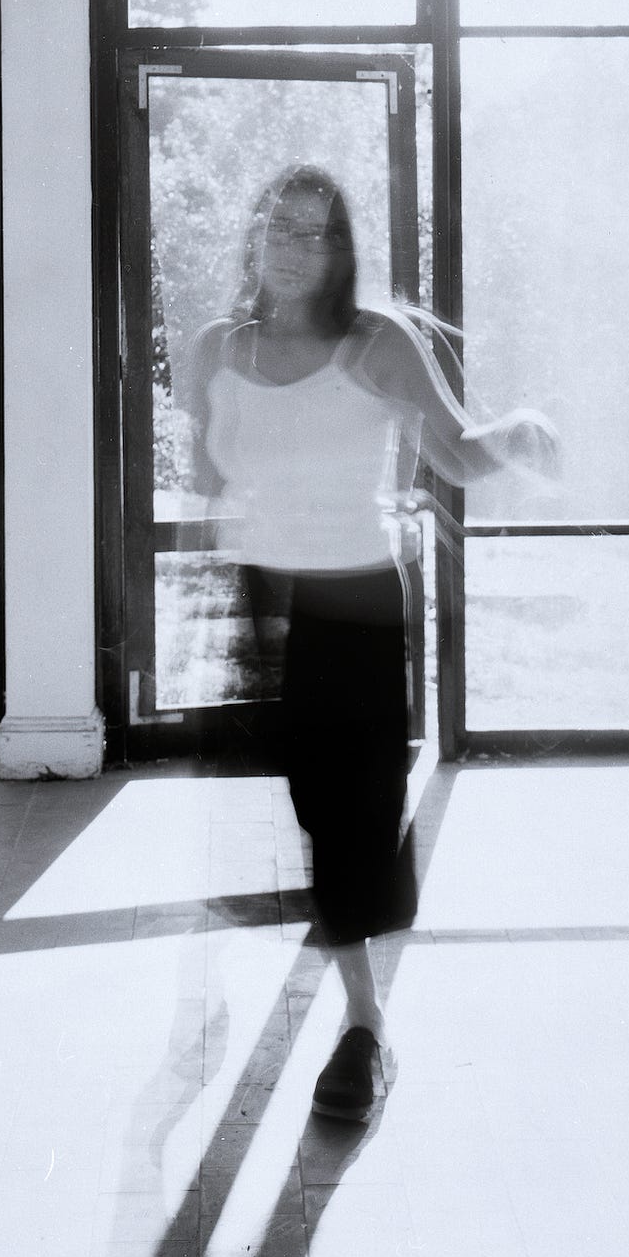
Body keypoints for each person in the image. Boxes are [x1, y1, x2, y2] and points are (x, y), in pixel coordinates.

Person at [181, 164, 559, 1121]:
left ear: (341, 249)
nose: (294, 247)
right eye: (279, 226)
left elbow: (460, 457)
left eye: (316, 233)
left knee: (348, 820)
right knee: (288, 813)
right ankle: (285, 977)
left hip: (350, 604)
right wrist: (210, 569)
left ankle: (363, 1030)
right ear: (253, 235)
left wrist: (523, 430)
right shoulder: (214, 348)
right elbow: (206, 472)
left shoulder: (375, 344)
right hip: (256, 597)